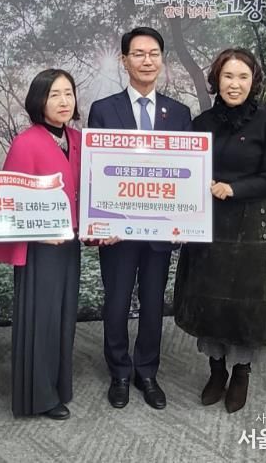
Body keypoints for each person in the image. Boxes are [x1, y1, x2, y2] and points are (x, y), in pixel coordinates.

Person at [173, 48, 266, 413]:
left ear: (253, 81)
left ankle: (241, 373)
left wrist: (234, 188)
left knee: (245, 307)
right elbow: (183, 171)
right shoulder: (201, 122)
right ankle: (216, 371)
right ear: (216, 80)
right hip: (207, 225)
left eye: (242, 77)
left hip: (251, 226)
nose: (234, 84)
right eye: (228, 76)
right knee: (209, 302)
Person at [88, 27, 192, 410]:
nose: (146, 61)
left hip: (160, 230)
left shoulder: (179, 113)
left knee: (152, 304)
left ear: (162, 60)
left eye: (153, 54)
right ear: (124, 60)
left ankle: (146, 371)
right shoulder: (104, 109)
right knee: (116, 304)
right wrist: (100, 222)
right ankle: (119, 370)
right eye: (138, 54)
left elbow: (186, 172)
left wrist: (185, 219)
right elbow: (95, 170)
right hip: (117, 230)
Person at [0, 69, 81, 421]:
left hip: (69, 243)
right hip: (40, 247)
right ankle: (38, 396)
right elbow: (9, 205)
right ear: (39, 100)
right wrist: (37, 233)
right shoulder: (26, 142)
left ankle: (58, 386)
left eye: (68, 93)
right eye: (54, 94)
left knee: (64, 317)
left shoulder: (77, 138)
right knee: (41, 321)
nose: (63, 101)